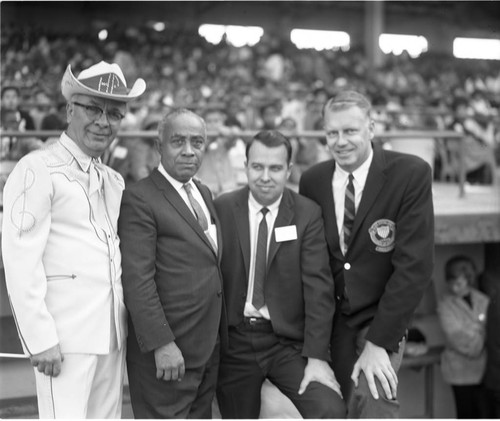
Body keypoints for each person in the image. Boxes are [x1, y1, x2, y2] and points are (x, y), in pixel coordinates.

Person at [1, 60, 146, 418]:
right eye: (93, 108)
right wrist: (40, 339)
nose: (103, 121)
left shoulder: (113, 179)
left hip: (110, 334)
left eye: (114, 113)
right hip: (62, 339)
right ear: (69, 110)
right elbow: (20, 261)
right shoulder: (37, 168)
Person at [299, 90, 434, 418]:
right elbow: (313, 261)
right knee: (333, 407)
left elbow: (414, 268)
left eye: (350, 131)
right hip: (332, 321)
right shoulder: (313, 180)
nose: (340, 141)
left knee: (374, 401)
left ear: (371, 128)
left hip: (380, 317)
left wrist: (378, 343)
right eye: (332, 133)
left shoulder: (410, 173)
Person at [214, 130, 346, 419]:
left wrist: (317, 358)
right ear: (246, 166)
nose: (265, 176)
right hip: (235, 341)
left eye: (275, 168)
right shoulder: (222, 208)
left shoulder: (306, 213)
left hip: (287, 343)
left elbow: (318, 291)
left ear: (289, 170)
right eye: (257, 167)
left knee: (329, 409)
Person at [118, 108, 225, 418]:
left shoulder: (203, 191)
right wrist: (161, 344)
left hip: (206, 349)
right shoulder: (139, 198)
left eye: (197, 142)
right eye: (178, 141)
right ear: (159, 147)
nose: (189, 151)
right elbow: (138, 280)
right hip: (167, 354)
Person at [437, 255, 490, 419]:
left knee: (485, 413)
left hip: (484, 370)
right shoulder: (445, 304)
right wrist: (479, 331)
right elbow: (455, 334)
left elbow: (492, 329)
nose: (454, 288)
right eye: (450, 282)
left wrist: (473, 330)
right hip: (459, 370)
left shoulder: (483, 300)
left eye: (458, 283)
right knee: (465, 413)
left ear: (468, 279)